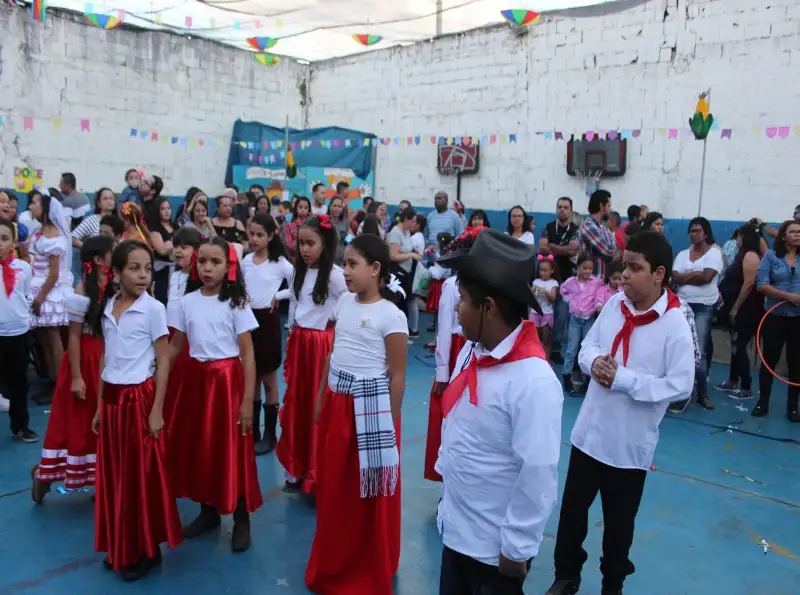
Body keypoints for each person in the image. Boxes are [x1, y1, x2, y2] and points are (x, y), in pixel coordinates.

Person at [546, 231, 695, 595]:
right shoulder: (615, 304)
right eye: (624, 266)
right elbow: (589, 345)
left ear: (658, 274)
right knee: (572, 513)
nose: (624, 274)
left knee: (619, 524)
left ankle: (612, 584)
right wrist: (594, 362)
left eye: (635, 268)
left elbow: (681, 385)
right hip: (589, 435)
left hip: (629, 447)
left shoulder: (674, 323)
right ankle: (566, 575)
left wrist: (625, 379)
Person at [434, 229, 558, 595]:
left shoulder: (532, 380)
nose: (455, 310)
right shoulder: (472, 352)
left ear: (488, 308)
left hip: (491, 551)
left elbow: (537, 472)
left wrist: (516, 547)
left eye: (462, 300)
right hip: (458, 531)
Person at [305, 234, 408, 594]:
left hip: (372, 413)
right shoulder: (344, 303)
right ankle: (335, 561)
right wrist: (322, 397)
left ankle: (367, 565)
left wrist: (391, 424)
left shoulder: (392, 316)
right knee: (336, 489)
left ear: (375, 269)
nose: (345, 271)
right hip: (338, 407)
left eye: (352, 264)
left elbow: (397, 376)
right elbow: (333, 355)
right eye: (344, 263)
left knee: (369, 496)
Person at [92, 240, 182, 581]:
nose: (143, 275)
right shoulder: (108, 306)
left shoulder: (154, 310)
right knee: (116, 476)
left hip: (138, 400)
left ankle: (146, 549)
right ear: (116, 273)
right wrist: (99, 405)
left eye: (147, 268)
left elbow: (163, 360)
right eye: (134, 268)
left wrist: (157, 408)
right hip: (112, 402)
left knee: (140, 477)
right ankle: (122, 545)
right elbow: (107, 358)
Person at [167, 237, 262, 552]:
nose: (208, 268)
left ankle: (241, 516)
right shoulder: (186, 302)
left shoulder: (236, 303)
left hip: (227, 384)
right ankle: (208, 512)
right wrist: (154, 373)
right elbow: (175, 347)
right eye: (203, 261)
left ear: (228, 266)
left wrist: (247, 400)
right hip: (197, 384)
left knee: (231, 449)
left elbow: (247, 354)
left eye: (215, 262)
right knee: (202, 447)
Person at [32, 236, 115, 501]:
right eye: (113, 252)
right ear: (99, 260)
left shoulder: (117, 286)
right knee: (76, 422)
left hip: (109, 359)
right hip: (85, 360)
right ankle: (43, 475)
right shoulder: (82, 291)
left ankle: (101, 480)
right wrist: (77, 377)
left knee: (105, 422)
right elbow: (75, 336)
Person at [276, 215, 347, 494]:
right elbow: (296, 304)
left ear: (325, 244)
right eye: (301, 243)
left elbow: (348, 305)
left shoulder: (336, 276)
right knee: (298, 403)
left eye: (310, 243)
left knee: (318, 405)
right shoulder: (298, 271)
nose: (304, 249)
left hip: (321, 346)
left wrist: (334, 325)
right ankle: (297, 468)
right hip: (300, 344)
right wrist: (292, 332)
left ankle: (318, 474)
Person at [423, 229, 478, 483]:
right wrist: (442, 372)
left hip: (477, 350)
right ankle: (447, 478)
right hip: (458, 350)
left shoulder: (483, 285)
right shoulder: (451, 286)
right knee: (451, 413)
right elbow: (444, 329)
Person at [242, 213, 294, 455]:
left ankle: (271, 434)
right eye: (251, 234)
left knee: (268, 378)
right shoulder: (246, 261)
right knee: (250, 376)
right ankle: (253, 431)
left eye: (260, 235)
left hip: (268, 322)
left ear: (271, 235)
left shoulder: (280, 263)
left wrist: (278, 296)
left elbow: (297, 286)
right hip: (247, 321)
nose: (254, 239)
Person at [672, 217, 723, 410]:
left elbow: (707, 277)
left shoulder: (714, 253)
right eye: (691, 231)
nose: (693, 234)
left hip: (704, 306)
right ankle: (680, 390)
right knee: (679, 348)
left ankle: (702, 393)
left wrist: (686, 276)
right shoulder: (683, 254)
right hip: (682, 305)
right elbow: (675, 277)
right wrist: (696, 274)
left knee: (699, 350)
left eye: (697, 231)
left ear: (706, 233)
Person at [752, 219, 800, 421]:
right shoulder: (771, 257)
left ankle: (793, 408)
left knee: (796, 363)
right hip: (775, 317)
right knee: (769, 361)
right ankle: (762, 402)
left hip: (798, 319)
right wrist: (788, 297)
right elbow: (761, 285)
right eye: (793, 231)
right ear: (783, 236)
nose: (797, 235)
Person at [28, 190, 74, 388]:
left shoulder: (53, 236)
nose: (30, 206)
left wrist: (40, 297)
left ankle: (61, 381)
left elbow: (54, 273)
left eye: (34, 203)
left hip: (48, 290)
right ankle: (52, 377)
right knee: (44, 336)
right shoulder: (40, 231)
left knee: (53, 335)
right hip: (39, 286)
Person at [716, 224, 764, 399]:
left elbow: (749, 283)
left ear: (744, 238)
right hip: (735, 306)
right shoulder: (741, 254)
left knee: (740, 346)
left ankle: (746, 386)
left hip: (745, 309)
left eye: (739, 236)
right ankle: (733, 380)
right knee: (735, 346)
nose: (736, 240)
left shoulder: (750, 255)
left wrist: (736, 307)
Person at [0, 218, 36, 442]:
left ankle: (21, 425)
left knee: (19, 383)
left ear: (13, 242)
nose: (0, 243)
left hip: (18, 333)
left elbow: (26, 295)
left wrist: (24, 318)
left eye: (4, 238)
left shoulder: (23, 268)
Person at [162, 227, 202, 424]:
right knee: (170, 379)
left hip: (188, 338)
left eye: (184, 247)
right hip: (170, 334)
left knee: (186, 382)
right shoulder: (175, 275)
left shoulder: (199, 280)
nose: (178, 251)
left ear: (197, 251)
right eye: (176, 246)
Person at [560, 253, 604, 394]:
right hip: (575, 320)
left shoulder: (596, 282)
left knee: (587, 348)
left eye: (590, 268)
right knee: (571, 348)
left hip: (588, 320)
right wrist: (570, 301)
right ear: (578, 267)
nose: (587, 271)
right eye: (584, 268)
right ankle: (566, 377)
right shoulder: (571, 282)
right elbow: (563, 290)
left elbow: (602, 293)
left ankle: (588, 379)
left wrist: (594, 307)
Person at [579, 190, 617, 278]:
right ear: (601, 206)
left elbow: (615, 249)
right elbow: (608, 251)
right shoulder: (588, 226)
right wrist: (613, 252)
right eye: (608, 206)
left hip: (603, 278)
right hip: (591, 279)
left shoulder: (604, 228)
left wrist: (613, 251)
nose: (610, 209)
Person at [532, 254, 559, 360]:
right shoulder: (536, 281)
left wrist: (545, 292)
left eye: (545, 270)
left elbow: (553, 298)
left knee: (546, 340)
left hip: (547, 313)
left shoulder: (553, 283)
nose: (542, 272)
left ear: (552, 271)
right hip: (535, 313)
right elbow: (531, 298)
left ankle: (547, 360)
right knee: (535, 339)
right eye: (541, 270)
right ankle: (537, 359)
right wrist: (532, 290)